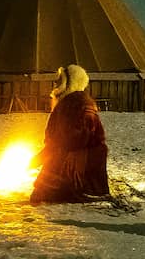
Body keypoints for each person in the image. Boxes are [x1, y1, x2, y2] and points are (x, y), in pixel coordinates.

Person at [30, 71, 110, 203]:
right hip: (65, 155)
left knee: (47, 195)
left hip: (79, 160)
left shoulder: (80, 104)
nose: (56, 84)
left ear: (70, 83)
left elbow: (76, 138)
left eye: (59, 81)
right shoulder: (67, 103)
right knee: (42, 195)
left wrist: (47, 155)